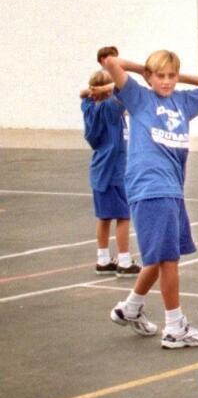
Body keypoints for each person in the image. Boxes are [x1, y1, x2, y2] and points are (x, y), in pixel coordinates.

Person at [100, 47, 198, 346]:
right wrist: (144, 70)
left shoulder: (183, 101)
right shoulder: (139, 97)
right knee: (168, 259)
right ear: (149, 77)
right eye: (160, 76)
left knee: (158, 256)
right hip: (151, 187)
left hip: (172, 188)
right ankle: (175, 327)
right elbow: (111, 62)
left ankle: (130, 308)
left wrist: (179, 77)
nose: (166, 81)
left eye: (171, 76)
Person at [79, 68, 140, 279]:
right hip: (115, 171)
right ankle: (124, 260)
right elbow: (125, 87)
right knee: (123, 216)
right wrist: (108, 86)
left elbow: (83, 95)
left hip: (99, 170)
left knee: (104, 217)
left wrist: (91, 91)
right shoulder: (110, 108)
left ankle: (103, 259)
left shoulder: (88, 108)